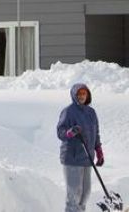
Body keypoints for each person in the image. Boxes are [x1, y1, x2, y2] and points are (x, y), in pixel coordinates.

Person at [57, 83, 104, 212]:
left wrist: (99, 151)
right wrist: (70, 132)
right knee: (74, 194)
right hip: (72, 158)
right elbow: (60, 132)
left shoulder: (91, 112)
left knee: (86, 193)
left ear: (87, 95)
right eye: (79, 94)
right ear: (74, 95)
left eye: (84, 93)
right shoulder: (68, 112)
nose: (82, 96)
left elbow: (96, 133)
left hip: (87, 158)